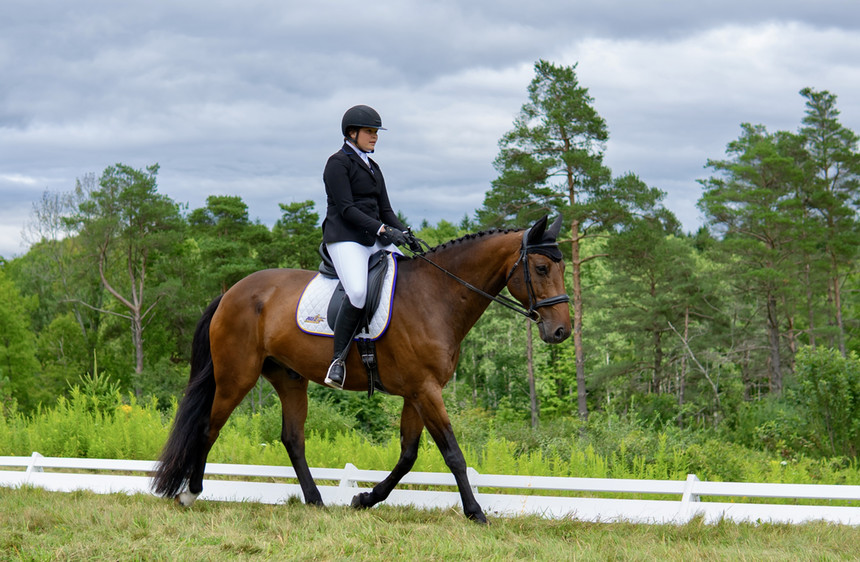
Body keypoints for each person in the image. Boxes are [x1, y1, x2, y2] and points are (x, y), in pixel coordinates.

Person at [321, 104, 411, 389]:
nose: (374, 137)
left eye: (376, 132)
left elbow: (385, 209)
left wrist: (404, 233)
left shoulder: (373, 167)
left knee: (408, 278)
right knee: (358, 291)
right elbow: (346, 209)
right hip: (345, 238)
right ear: (352, 132)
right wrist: (383, 230)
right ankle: (338, 361)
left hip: (373, 238)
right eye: (370, 132)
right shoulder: (337, 163)